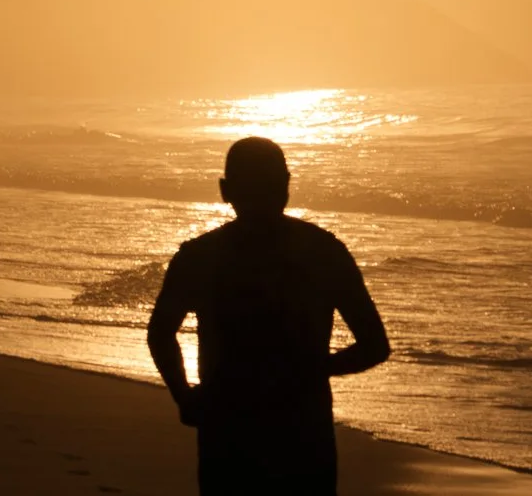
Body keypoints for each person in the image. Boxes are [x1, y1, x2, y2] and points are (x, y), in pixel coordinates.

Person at [147, 136, 391, 495]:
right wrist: (312, 370)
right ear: (286, 187)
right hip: (303, 430)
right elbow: (375, 346)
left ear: (225, 190)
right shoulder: (324, 251)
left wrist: (185, 397)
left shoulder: (199, 256)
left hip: (228, 428)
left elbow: (160, 333)